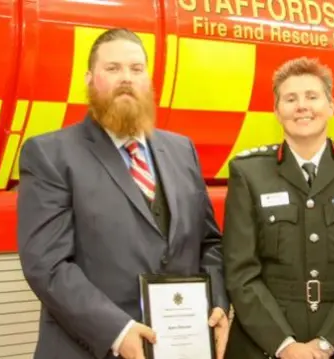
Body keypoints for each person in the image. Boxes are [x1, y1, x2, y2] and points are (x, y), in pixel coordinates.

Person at [17, 28, 229, 359]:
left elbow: (210, 244)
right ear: (90, 79)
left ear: (149, 81)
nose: (126, 78)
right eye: (112, 69)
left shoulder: (182, 149)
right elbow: (48, 265)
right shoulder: (49, 154)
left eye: (135, 69)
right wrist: (117, 330)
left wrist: (216, 301)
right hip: (89, 349)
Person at [222, 56, 334, 359]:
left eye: (312, 97)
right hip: (266, 345)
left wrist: (328, 344)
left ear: (331, 106)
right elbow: (240, 272)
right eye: (290, 98)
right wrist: (284, 346)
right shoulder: (248, 173)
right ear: (276, 111)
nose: (302, 106)